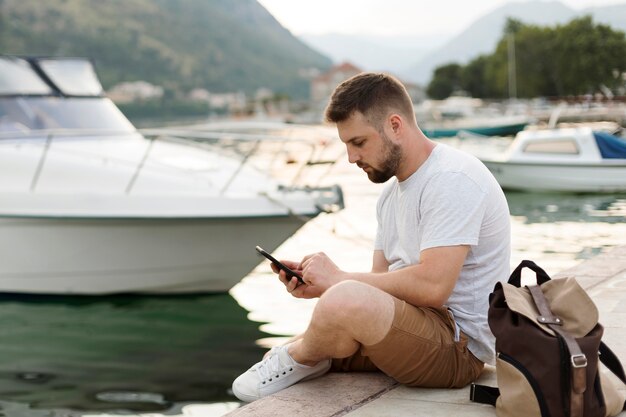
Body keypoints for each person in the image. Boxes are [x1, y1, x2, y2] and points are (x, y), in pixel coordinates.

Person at [232, 72, 511, 402]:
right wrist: (322, 285)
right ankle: (303, 356)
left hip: (458, 347)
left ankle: (301, 356)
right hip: (414, 328)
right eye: (346, 145)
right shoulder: (390, 196)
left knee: (343, 300)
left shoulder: (452, 178)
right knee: (328, 316)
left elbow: (434, 287)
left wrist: (338, 282)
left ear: (395, 125)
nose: (351, 158)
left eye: (358, 142)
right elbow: (381, 285)